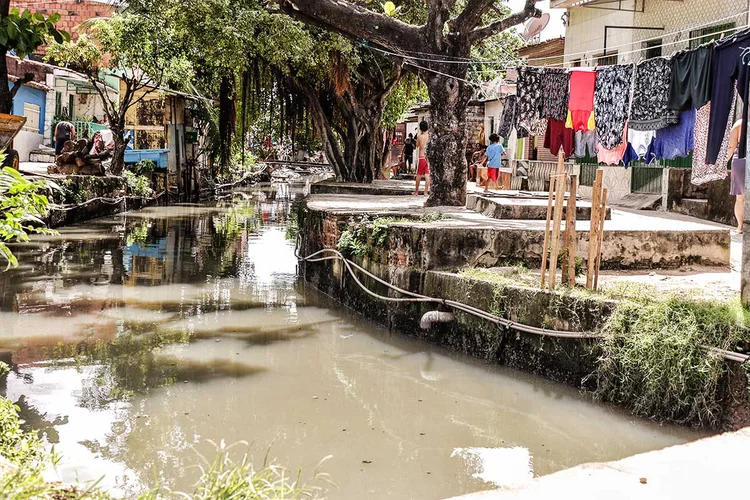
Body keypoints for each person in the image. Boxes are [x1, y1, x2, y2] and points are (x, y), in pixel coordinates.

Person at [728, 119, 745, 233]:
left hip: (740, 160)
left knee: (740, 198)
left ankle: (740, 227)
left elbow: (731, 147)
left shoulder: (739, 123)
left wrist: (722, 164)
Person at [414, 121, 430, 196]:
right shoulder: (429, 136)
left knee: (419, 174)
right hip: (428, 157)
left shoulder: (420, 137)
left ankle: (416, 191)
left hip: (421, 157)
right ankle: (425, 192)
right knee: (427, 175)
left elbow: (417, 145)